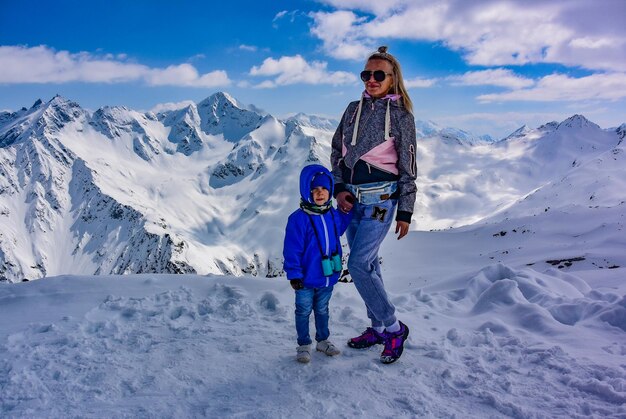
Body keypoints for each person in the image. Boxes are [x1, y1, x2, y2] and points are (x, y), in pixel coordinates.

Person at [330, 46, 417, 364]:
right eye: (366, 74)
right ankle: (378, 326)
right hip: (351, 200)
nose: (371, 79)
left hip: (381, 201)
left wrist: (405, 210)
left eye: (378, 74)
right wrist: (339, 188)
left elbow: (409, 165)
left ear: (393, 79)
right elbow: (336, 150)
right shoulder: (352, 109)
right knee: (370, 265)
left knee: (357, 265)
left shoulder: (401, 116)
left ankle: (394, 328)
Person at [283, 164, 353, 363]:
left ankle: (323, 340)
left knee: (322, 309)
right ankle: (304, 344)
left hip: (327, 275)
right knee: (303, 310)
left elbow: (341, 226)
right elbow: (292, 249)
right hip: (305, 278)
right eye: (314, 190)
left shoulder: (332, 214)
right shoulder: (298, 219)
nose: (319, 193)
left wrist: (347, 208)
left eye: (323, 189)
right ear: (307, 191)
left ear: (330, 190)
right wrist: (294, 274)